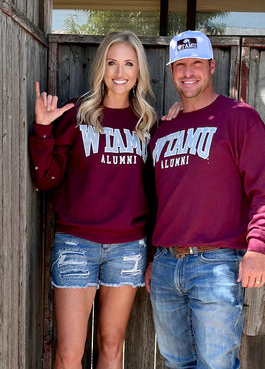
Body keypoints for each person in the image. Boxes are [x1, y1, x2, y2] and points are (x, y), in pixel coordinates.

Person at [145, 30, 265, 369]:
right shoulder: (163, 130)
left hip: (216, 265)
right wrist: (152, 258)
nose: (188, 72)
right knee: (177, 362)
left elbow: (264, 189)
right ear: (172, 70)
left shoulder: (239, 117)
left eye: (196, 64)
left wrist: (257, 248)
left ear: (211, 65)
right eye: (180, 65)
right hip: (165, 265)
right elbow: (156, 201)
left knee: (217, 364)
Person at [29, 30, 159, 369]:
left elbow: (158, 193)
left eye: (129, 64)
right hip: (76, 244)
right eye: (112, 63)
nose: (119, 72)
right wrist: (43, 129)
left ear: (138, 71)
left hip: (129, 247)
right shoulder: (76, 116)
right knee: (69, 353)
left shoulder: (148, 124)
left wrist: (153, 252)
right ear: (101, 66)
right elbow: (46, 178)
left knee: (112, 346)